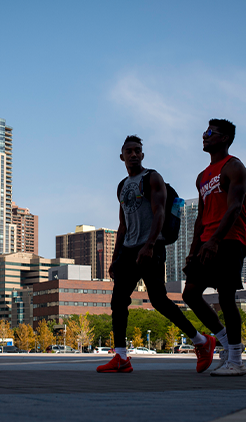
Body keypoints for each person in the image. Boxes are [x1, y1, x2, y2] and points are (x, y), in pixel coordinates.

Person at [98, 135, 216, 374]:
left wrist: (150, 244)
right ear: (122, 156)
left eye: (137, 151)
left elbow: (159, 212)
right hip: (128, 250)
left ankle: (202, 341)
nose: (133, 154)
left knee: (159, 301)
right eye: (129, 151)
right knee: (118, 301)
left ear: (142, 155)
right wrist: (114, 257)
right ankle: (121, 356)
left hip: (150, 249)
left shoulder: (153, 178)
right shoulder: (122, 186)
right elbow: (122, 224)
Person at [181, 119, 246, 377]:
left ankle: (236, 360)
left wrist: (215, 241)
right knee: (190, 294)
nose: (205, 135)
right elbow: (200, 216)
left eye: (211, 132)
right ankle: (223, 342)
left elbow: (234, 207)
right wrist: (194, 248)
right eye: (205, 131)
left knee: (225, 296)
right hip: (206, 240)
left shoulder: (234, 167)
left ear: (224, 139)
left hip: (230, 238)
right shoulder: (202, 176)